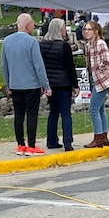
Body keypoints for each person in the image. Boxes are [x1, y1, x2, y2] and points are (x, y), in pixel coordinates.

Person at [1, 13, 50, 156]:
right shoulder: (32, 42)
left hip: (15, 85)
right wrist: (46, 85)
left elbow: (4, 66)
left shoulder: (7, 41)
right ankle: (32, 145)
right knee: (32, 115)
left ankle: (20, 145)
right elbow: (38, 66)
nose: (34, 27)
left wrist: (8, 82)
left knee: (19, 115)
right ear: (27, 25)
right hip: (31, 85)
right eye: (32, 24)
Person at [40, 18, 79, 151]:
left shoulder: (42, 45)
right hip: (64, 83)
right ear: (58, 29)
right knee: (66, 113)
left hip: (50, 83)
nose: (65, 30)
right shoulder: (64, 46)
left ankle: (51, 140)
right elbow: (70, 67)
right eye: (63, 28)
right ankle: (68, 141)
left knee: (53, 113)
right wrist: (75, 85)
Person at [83, 21, 109, 148]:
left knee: (93, 109)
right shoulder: (88, 45)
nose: (86, 31)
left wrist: (99, 69)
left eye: (90, 29)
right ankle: (104, 137)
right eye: (85, 29)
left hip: (102, 80)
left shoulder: (100, 43)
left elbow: (107, 59)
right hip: (94, 79)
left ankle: (98, 138)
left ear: (96, 31)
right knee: (100, 109)